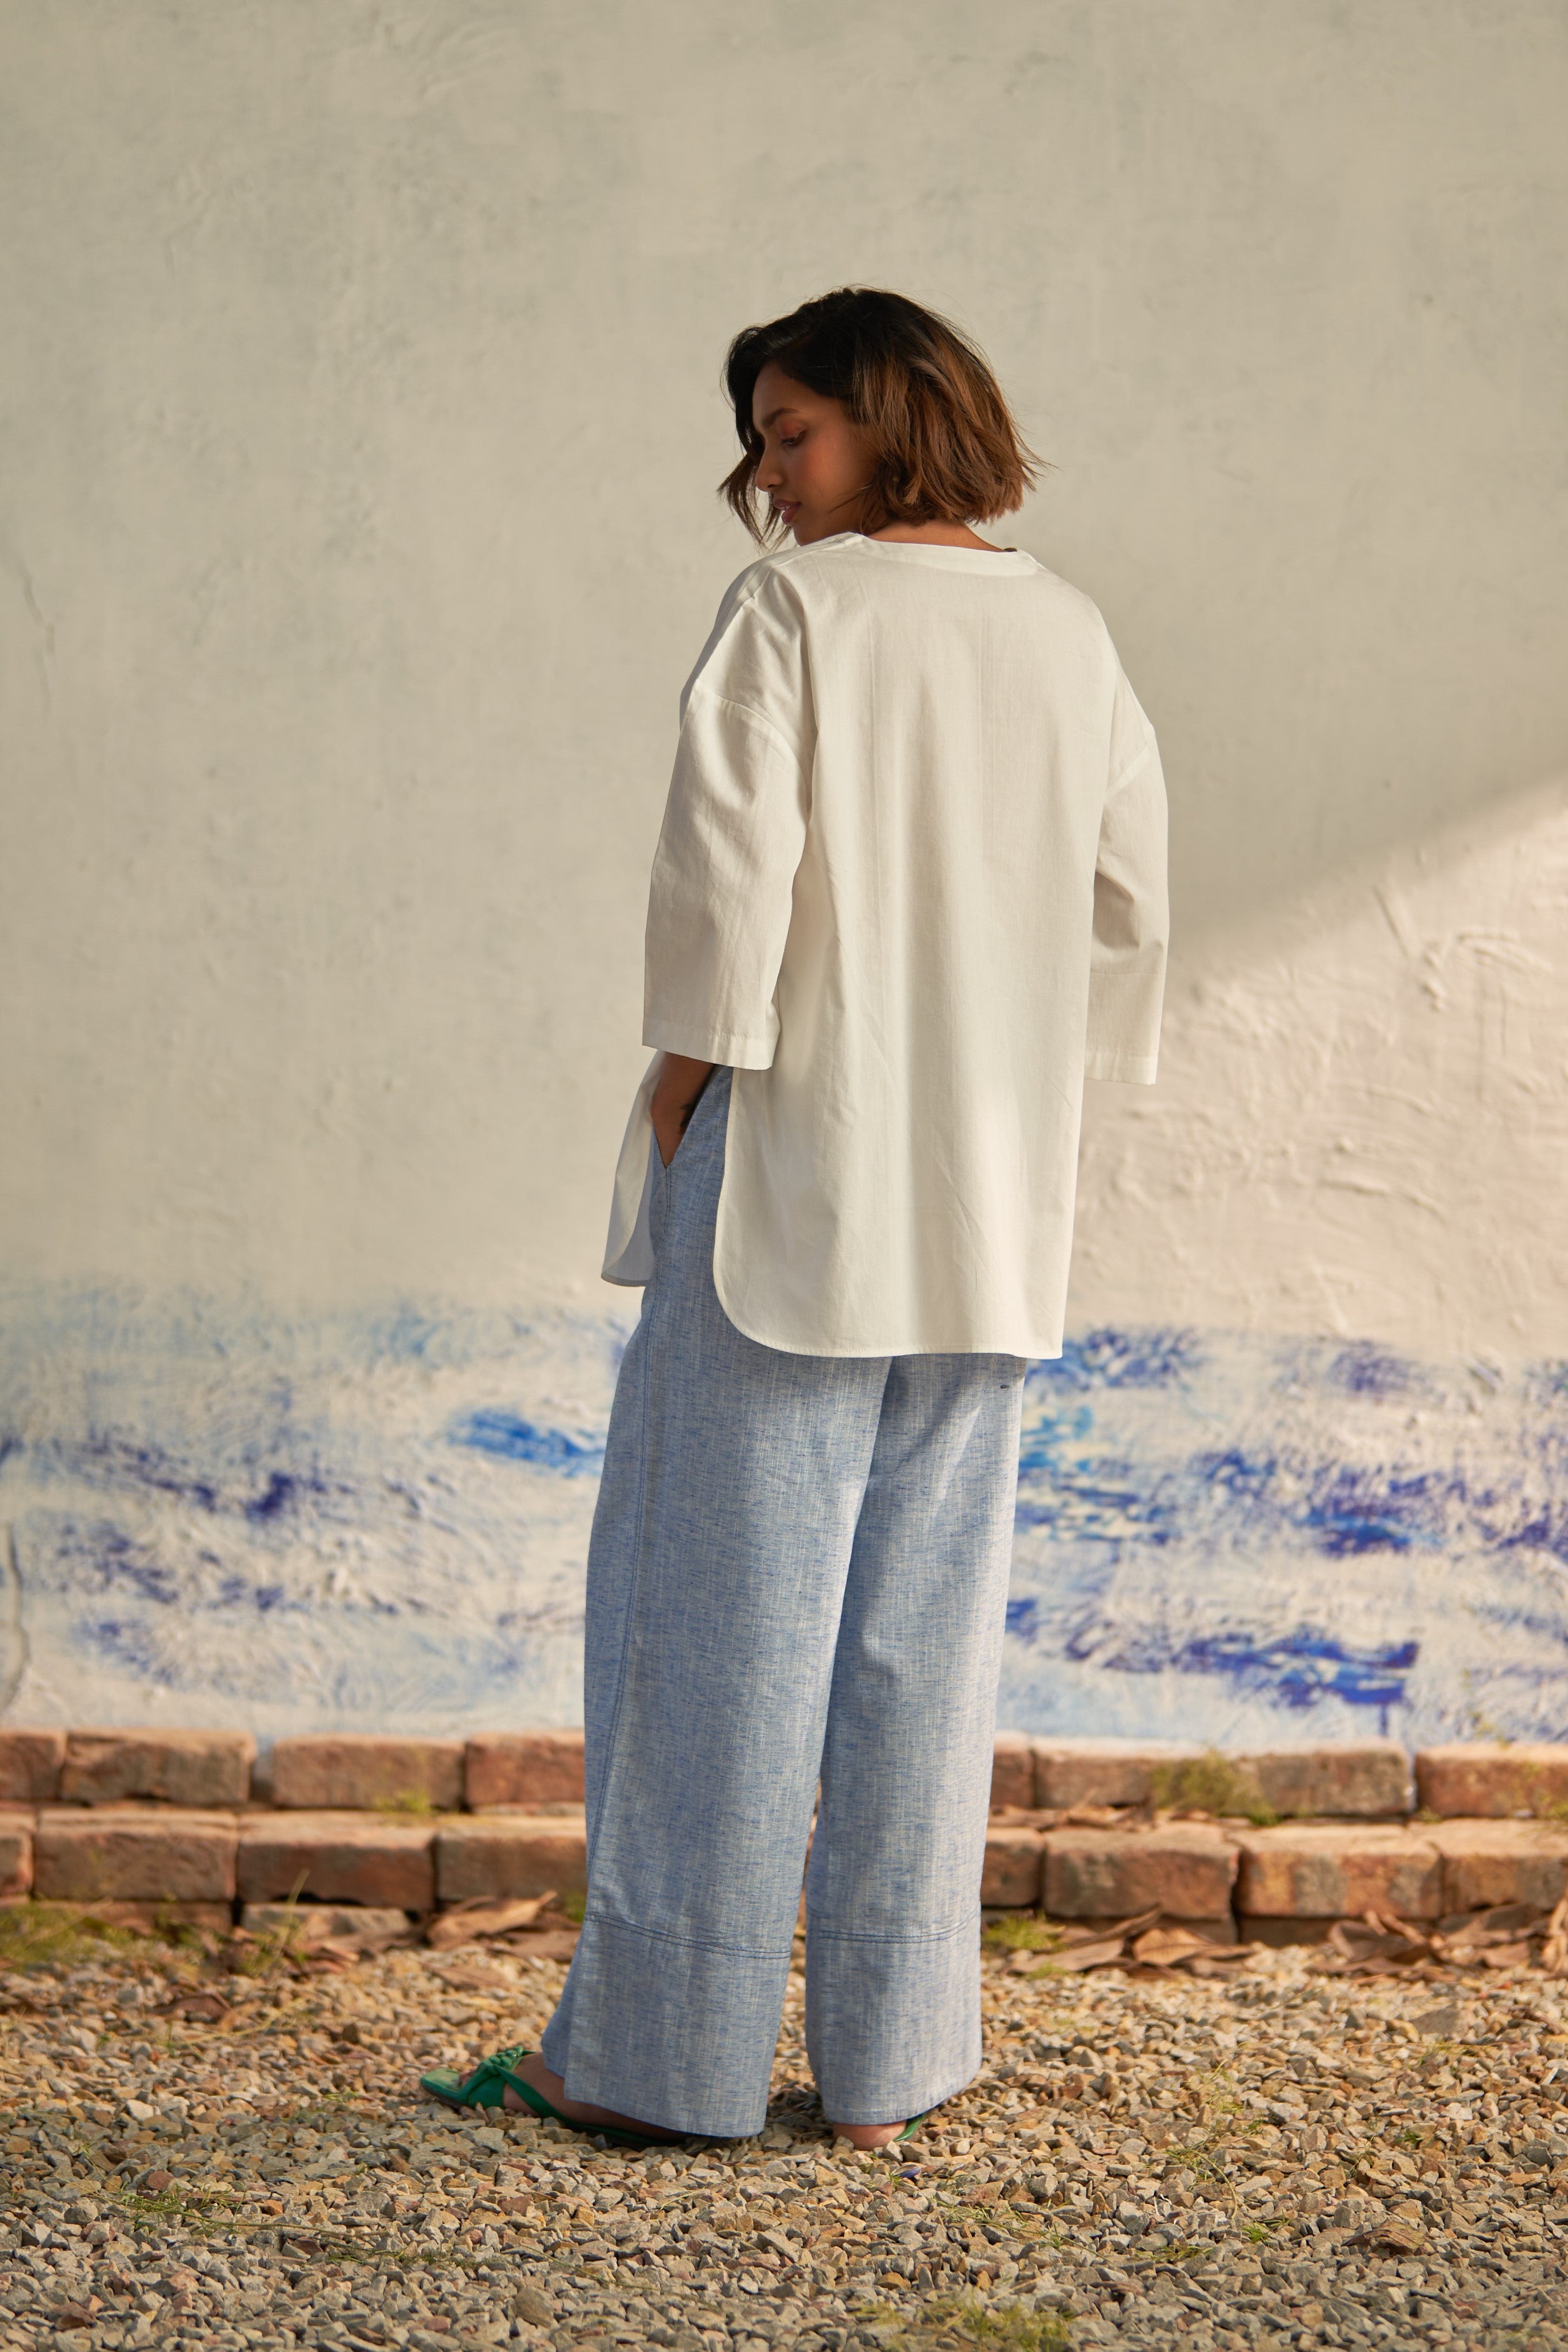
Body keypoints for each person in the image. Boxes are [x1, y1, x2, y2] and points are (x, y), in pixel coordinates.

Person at [422, 287, 1168, 2150]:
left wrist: (684, 1083)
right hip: (985, 1211)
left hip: (790, 1178)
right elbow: (1126, 903)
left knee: (712, 1636)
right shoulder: (1067, 630)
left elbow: (725, 885)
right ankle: (891, 2065)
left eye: (791, 430)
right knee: (921, 1649)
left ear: (891, 416)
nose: (766, 470)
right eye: (760, 436)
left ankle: (653, 2065)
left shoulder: (796, 613)